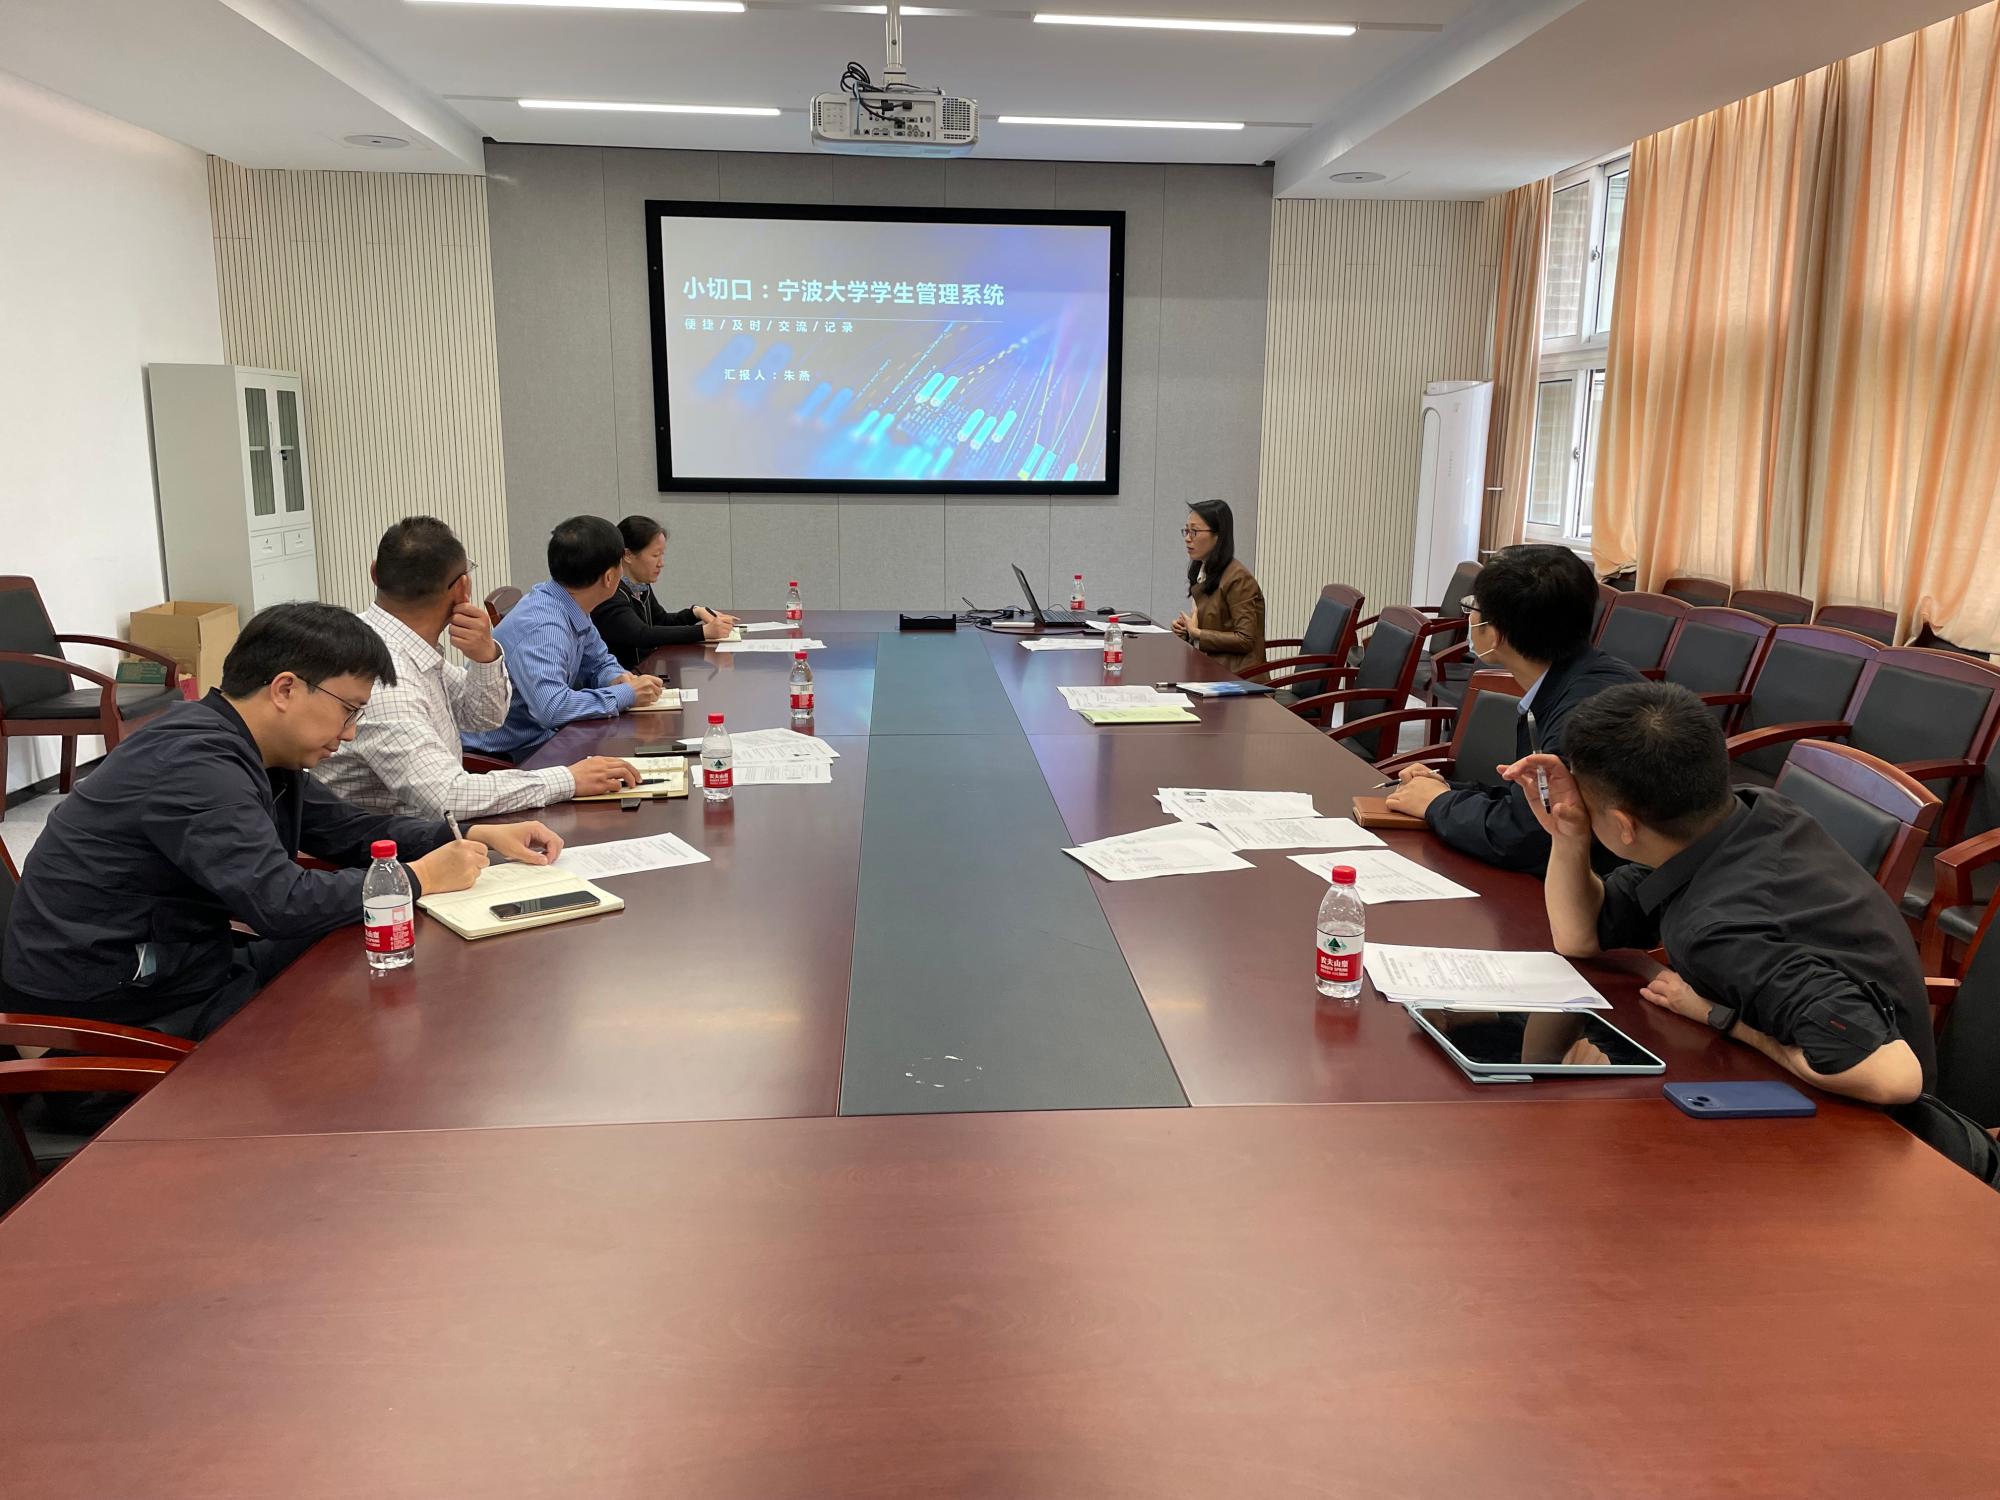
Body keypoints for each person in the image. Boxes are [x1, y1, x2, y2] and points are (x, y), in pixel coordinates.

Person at [1, 603, 562, 1040]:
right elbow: (281, 901)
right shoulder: (194, 764)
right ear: (286, 689)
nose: (350, 733)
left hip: (182, 965)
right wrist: (420, 878)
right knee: (371, 1022)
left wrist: (466, 834)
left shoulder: (255, 751)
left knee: (389, 966)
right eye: (349, 709)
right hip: (112, 1014)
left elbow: (351, 832)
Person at [1505, 680, 1931, 1107]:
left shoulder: (1718, 930)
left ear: (1624, 826)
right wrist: (1569, 833)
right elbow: (1578, 938)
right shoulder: (1746, 813)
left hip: (1877, 1126)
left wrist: (1714, 1015)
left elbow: (1893, 1077)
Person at [316, 518, 643, 818]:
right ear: (463, 588)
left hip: (424, 827)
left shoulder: (390, 641)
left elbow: (484, 718)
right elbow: (448, 796)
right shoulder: (388, 675)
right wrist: (567, 780)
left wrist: (485, 658)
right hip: (392, 847)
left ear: (374, 573)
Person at [1386, 544, 1643, 873]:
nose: (1469, 618)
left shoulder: (1584, 716)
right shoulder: (1580, 678)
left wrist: (1438, 804)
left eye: (1473, 608)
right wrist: (1445, 789)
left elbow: (1527, 836)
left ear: (1495, 634)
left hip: (1611, 888)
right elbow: (1530, 803)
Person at [465, 516, 667, 761]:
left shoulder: (570, 602)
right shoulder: (544, 626)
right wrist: (626, 694)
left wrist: (617, 678)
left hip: (543, 736)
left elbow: (600, 662)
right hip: (506, 754)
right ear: (609, 577)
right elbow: (552, 709)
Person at [591, 515, 740, 668]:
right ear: (628, 555)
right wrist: (703, 632)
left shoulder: (640, 585)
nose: (661, 563)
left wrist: (695, 613)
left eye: (662, 555)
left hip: (644, 672)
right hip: (623, 677)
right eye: (655, 555)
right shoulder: (610, 593)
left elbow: (661, 621)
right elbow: (641, 634)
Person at [1170, 498, 1266, 673]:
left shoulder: (1239, 579)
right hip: (1208, 668)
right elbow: (1214, 625)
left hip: (1237, 676)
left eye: (1194, 532)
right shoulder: (1204, 570)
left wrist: (1197, 633)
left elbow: (1245, 639)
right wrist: (1186, 631)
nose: (1188, 538)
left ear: (1218, 536)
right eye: (1186, 531)